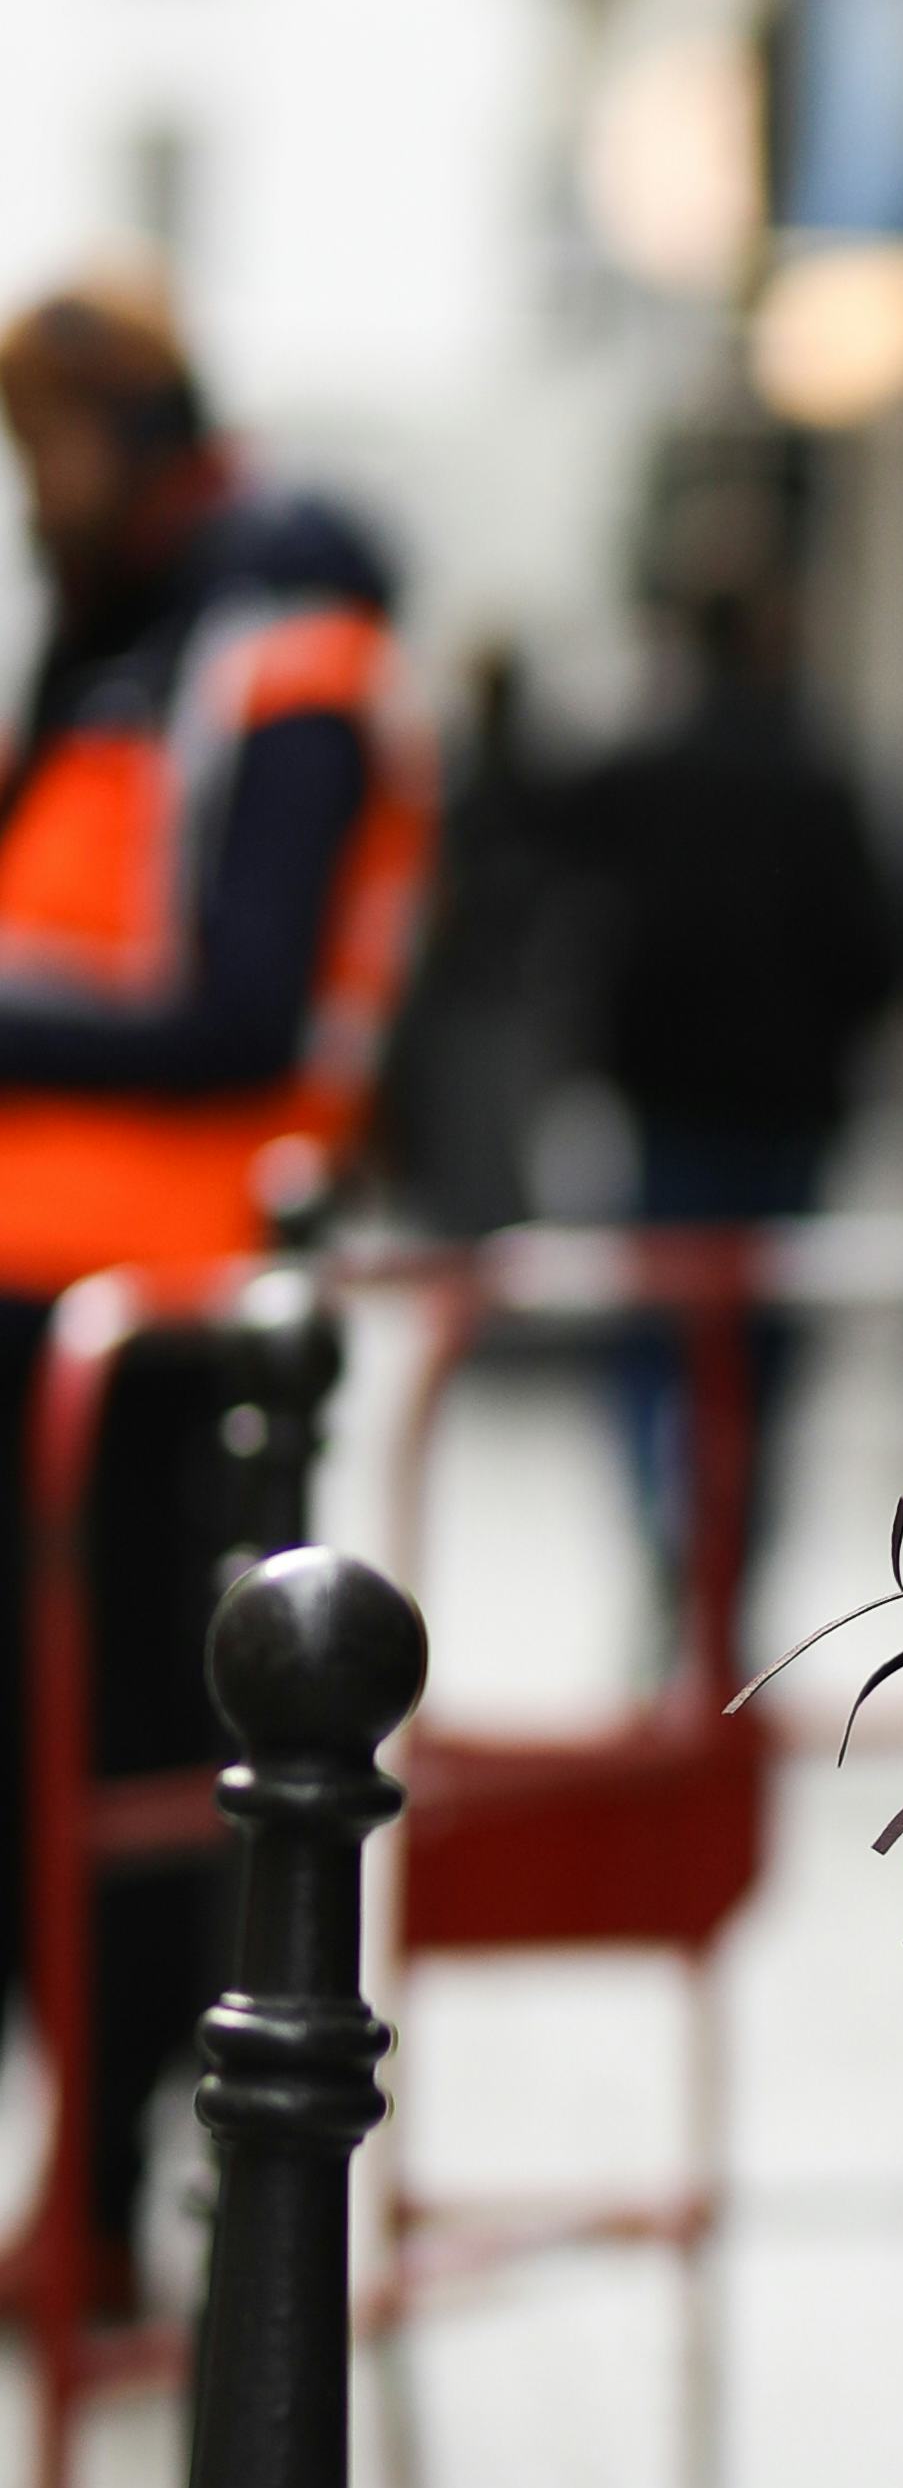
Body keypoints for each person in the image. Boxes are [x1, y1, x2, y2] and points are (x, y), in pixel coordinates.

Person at [0, 271, 432, 2287]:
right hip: (64, 1293)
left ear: (156, 431)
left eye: (61, 443)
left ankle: (107, 2212)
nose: (36, 488)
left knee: (136, 1772)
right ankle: (87, 2190)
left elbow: (241, 1004)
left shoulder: (270, 643)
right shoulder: (127, 640)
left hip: (160, 1319)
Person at [553, 555, 903, 1643]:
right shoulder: (820, 777)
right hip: (786, 1117)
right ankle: (729, 1567)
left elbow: (575, 904)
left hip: (670, 1110)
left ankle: (673, 1542)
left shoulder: (643, 771)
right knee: (761, 1356)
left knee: (659, 1339)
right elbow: (877, 945)